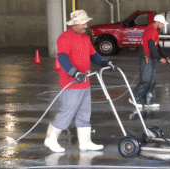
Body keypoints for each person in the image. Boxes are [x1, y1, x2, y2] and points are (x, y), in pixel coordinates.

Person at [44, 10, 116, 153]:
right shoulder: (64, 38)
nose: (86, 25)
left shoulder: (85, 38)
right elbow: (63, 59)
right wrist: (75, 73)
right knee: (67, 112)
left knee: (84, 113)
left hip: (85, 81)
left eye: (86, 22)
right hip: (71, 83)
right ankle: (50, 139)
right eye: (83, 23)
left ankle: (85, 142)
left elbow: (94, 55)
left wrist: (105, 63)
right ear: (75, 24)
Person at [129, 14, 169, 108]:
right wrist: (159, 58)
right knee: (146, 80)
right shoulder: (151, 30)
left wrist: (165, 56)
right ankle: (135, 99)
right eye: (162, 24)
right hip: (146, 57)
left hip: (150, 57)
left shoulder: (155, 31)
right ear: (158, 22)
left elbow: (157, 46)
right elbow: (151, 46)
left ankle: (148, 101)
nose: (163, 26)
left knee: (152, 80)